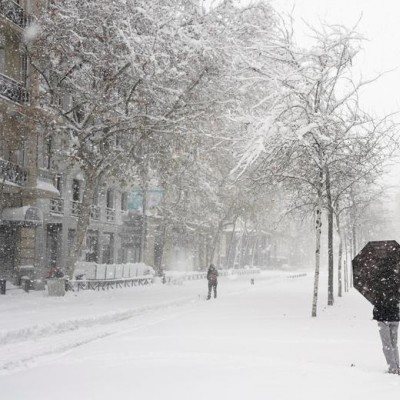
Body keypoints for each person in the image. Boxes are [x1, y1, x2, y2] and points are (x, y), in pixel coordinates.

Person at [373, 299, 400, 374]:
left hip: (383, 317)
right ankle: (397, 366)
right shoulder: (396, 287)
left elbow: (375, 299)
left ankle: (393, 368)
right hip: (395, 316)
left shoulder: (378, 290)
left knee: (387, 344)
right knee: (394, 344)